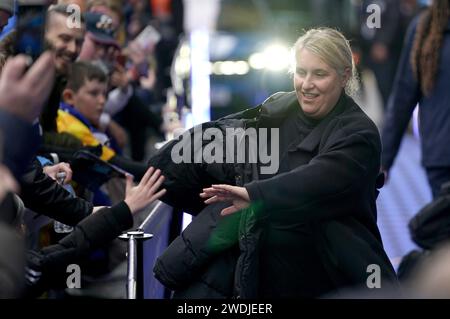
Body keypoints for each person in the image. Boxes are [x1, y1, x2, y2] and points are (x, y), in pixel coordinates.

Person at [151, 28, 397, 298]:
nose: (306, 84)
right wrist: (153, 171)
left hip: (328, 274)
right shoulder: (278, 111)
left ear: (344, 76)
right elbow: (218, 145)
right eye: (301, 72)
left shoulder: (359, 133)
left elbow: (320, 179)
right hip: (263, 268)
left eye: (320, 74)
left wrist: (255, 195)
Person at [381, 0, 450, 199]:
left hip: (439, 154)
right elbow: (403, 96)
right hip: (441, 156)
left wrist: (385, 159)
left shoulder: (425, 27)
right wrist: (385, 158)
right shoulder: (425, 28)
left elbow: (403, 96)